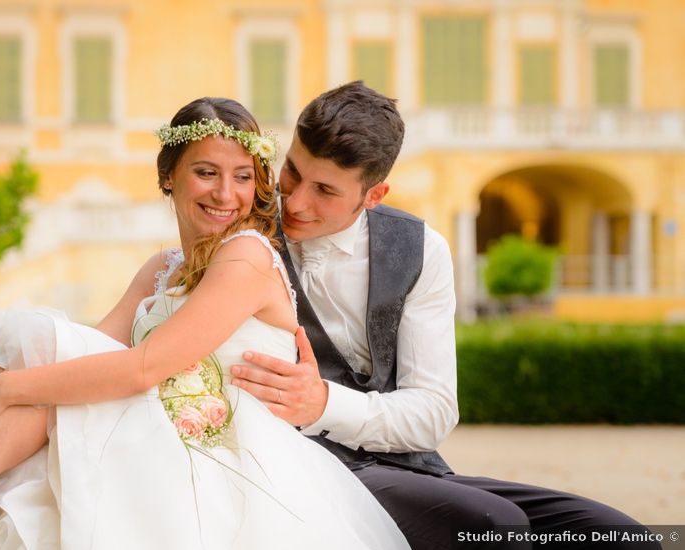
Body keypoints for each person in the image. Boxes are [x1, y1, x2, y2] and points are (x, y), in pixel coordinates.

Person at [0, 97, 409, 550]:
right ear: (169, 178)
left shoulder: (246, 258)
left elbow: (143, 367)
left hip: (218, 456)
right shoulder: (160, 269)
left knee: (39, 388)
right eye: (206, 173)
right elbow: (91, 350)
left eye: (244, 177)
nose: (226, 194)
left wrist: (1, 388)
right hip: (152, 433)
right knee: (42, 371)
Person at [229, 81, 659, 549]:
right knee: (494, 526)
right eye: (291, 171)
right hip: (308, 467)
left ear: (374, 196)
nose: (293, 202)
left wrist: (323, 403)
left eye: (325, 190)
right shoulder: (242, 236)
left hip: (409, 469)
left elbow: (432, 412)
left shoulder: (421, 250)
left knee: (623, 537)